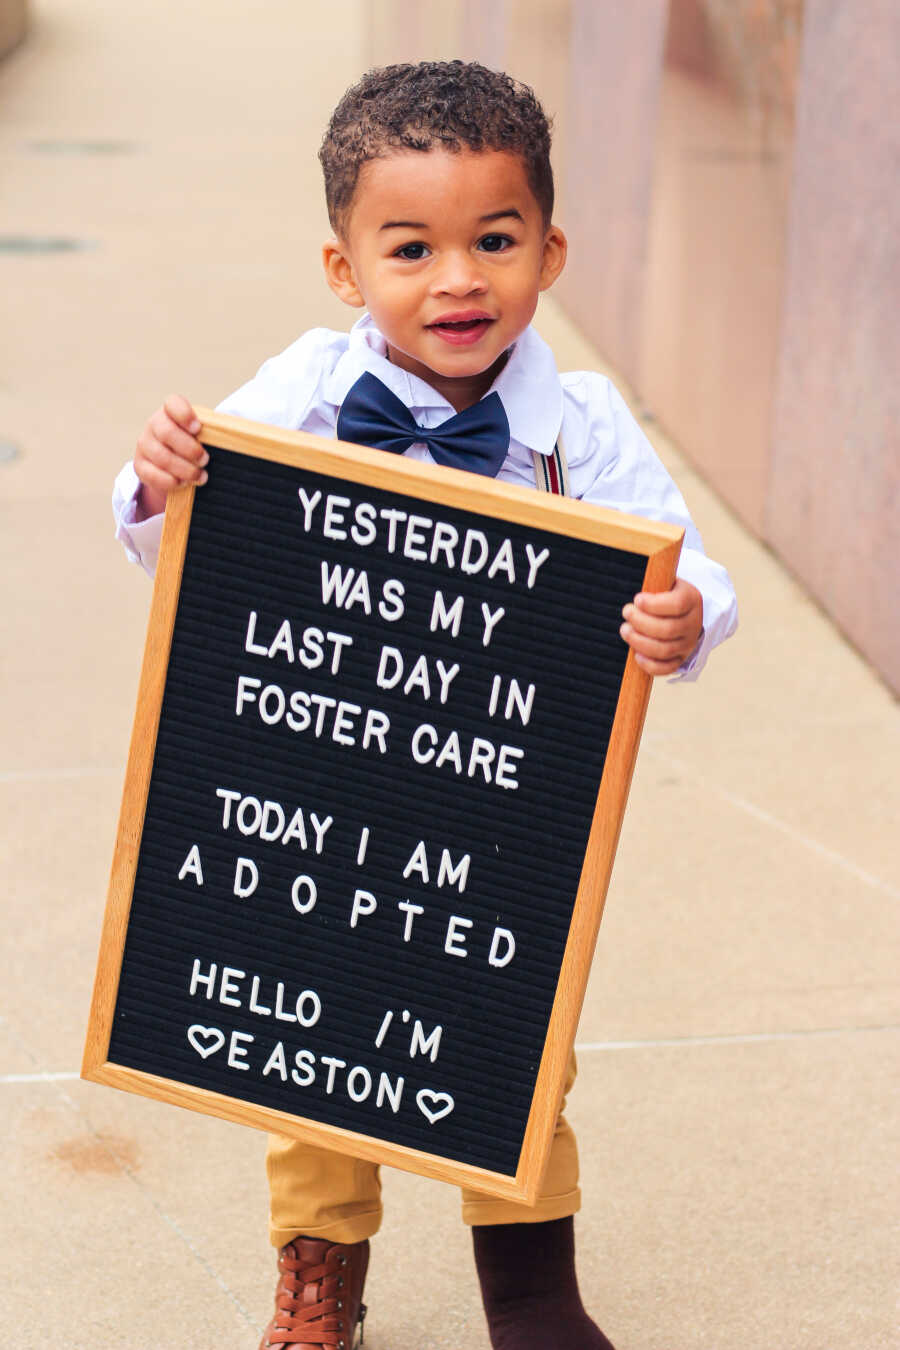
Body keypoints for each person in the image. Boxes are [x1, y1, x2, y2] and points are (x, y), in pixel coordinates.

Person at [113, 60, 737, 1350]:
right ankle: (318, 1270)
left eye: (494, 241)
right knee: (304, 1033)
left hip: (503, 803)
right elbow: (185, 538)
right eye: (413, 248)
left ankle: (533, 1291)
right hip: (318, 781)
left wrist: (684, 618)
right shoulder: (300, 393)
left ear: (549, 250)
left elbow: (681, 557)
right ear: (346, 270)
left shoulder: (583, 423)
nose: (458, 279)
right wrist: (159, 479)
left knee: (512, 1031)